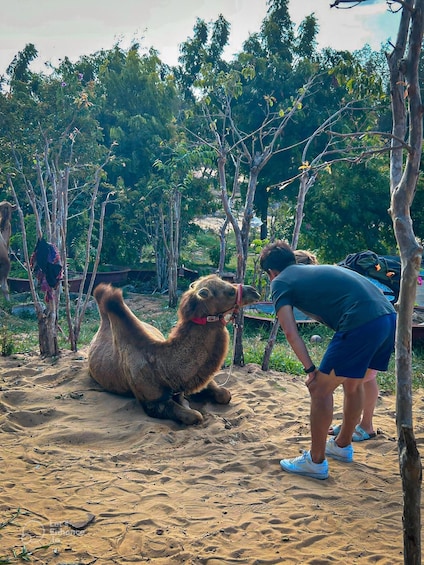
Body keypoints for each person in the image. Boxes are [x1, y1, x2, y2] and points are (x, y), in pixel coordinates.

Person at [259, 240, 396, 480]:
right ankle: (342, 446)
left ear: (271, 272)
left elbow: (290, 332)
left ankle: (315, 460)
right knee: (354, 383)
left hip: (361, 321)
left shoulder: (280, 281)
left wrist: (310, 369)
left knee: (319, 390)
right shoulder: (315, 269)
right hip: (387, 318)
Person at [295, 249, 379, 442]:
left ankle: (358, 428)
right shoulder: (329, 275)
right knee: (365, 377)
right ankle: (360, 424)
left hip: (365, 323)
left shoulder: (317, 283)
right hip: (380, 319)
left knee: (349, 381)